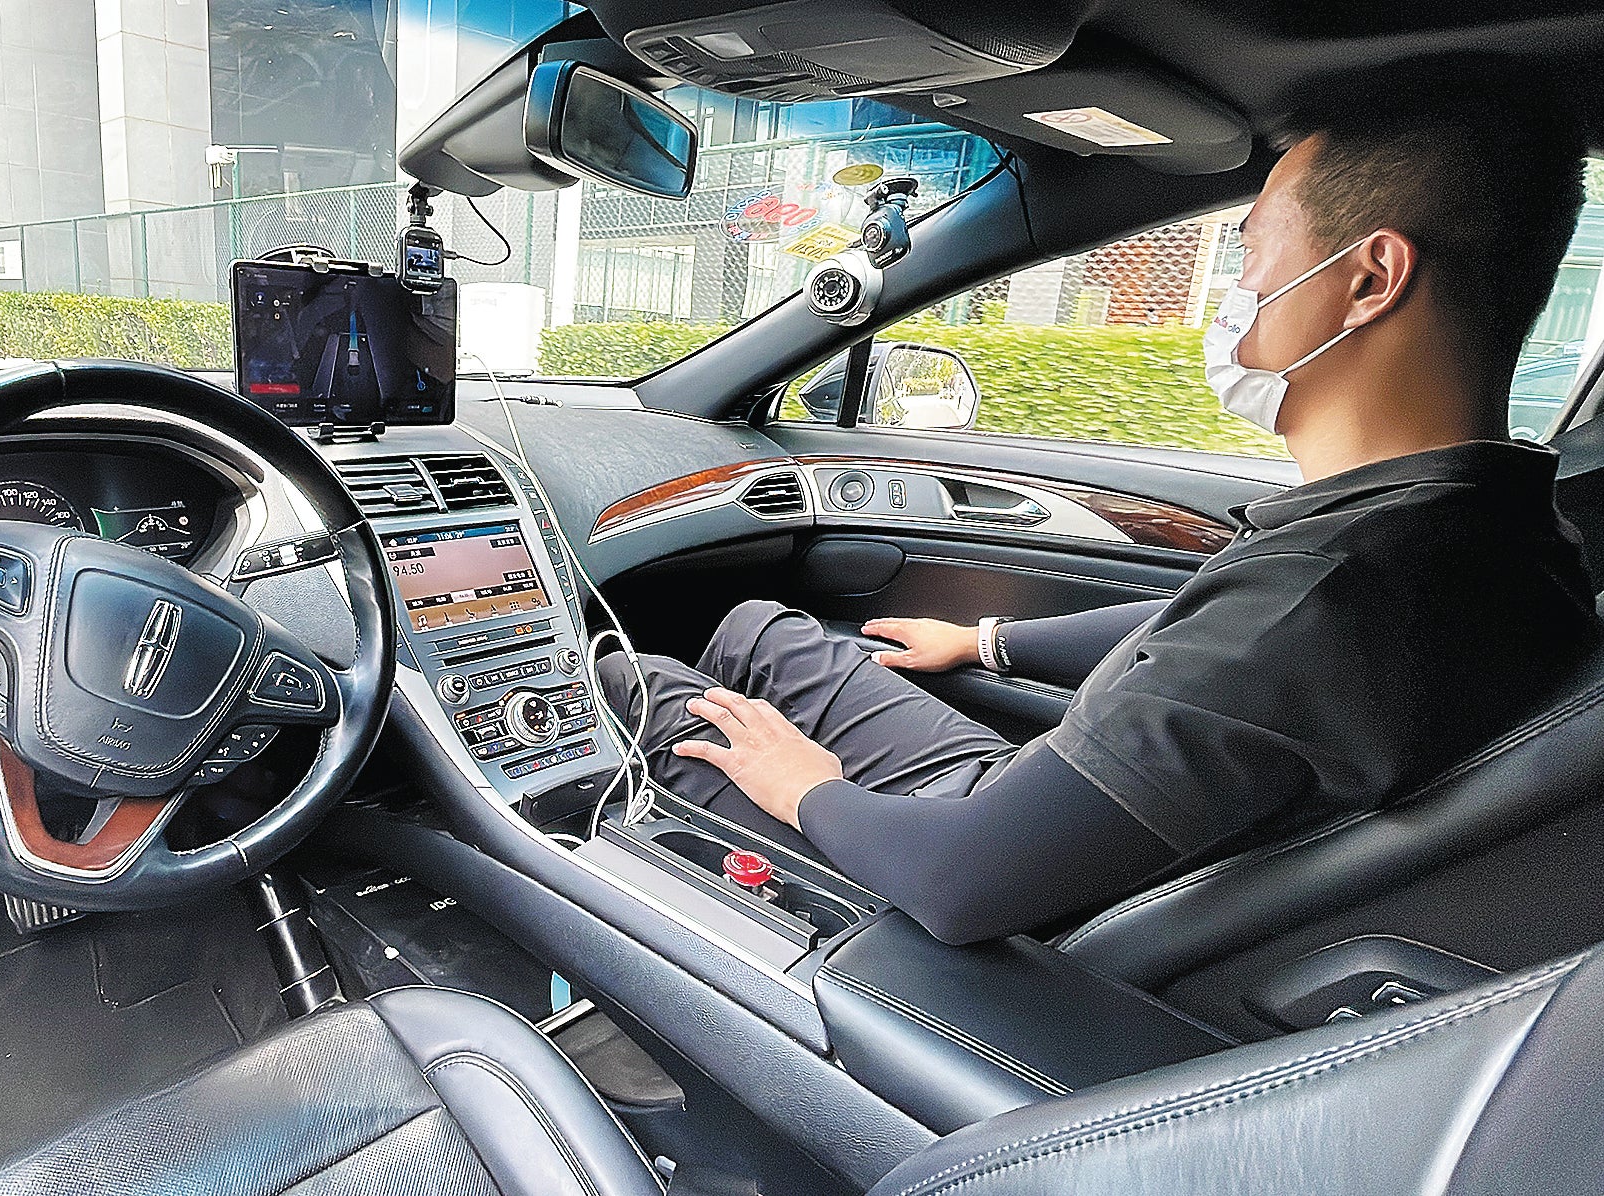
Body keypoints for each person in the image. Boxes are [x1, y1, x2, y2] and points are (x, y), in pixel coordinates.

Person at [599, 80, 1603, 944]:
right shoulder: (1482, 531)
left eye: (1252, 252)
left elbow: (959, 886)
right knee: (756, 631)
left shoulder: (1324, 599)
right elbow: (1205, 641)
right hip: (1057, 817)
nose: (1237, 288)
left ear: (1367, 279)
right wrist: (987, 641)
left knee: (632, 686)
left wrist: (804, 784)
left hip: (986, 890)